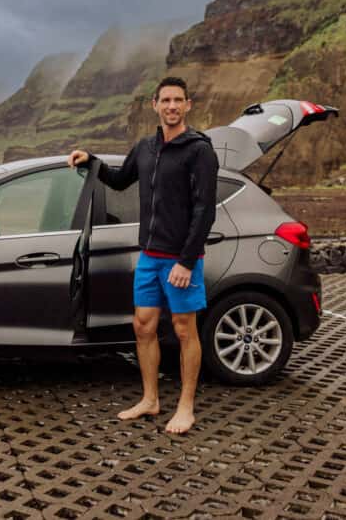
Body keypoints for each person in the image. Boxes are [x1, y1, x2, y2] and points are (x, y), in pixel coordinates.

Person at [68, 76, 217, 434]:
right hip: (149, 256)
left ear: (188, 105)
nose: (171, 106)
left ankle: (186, 407)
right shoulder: (146, 147)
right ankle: (150, 400)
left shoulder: (199, 150)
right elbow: (119, 180)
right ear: (155, 104)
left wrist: (185, 260)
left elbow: (204, 210)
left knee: (185, 331)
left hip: (181, 258)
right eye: (165, 100)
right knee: (143, 326)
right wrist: (92, 161)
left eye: (178, 100)